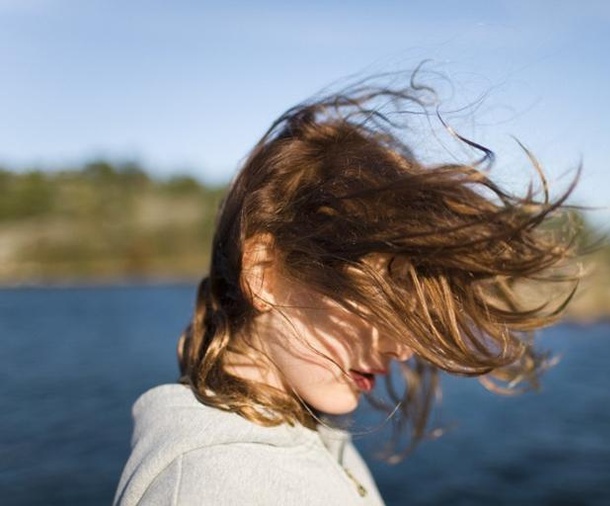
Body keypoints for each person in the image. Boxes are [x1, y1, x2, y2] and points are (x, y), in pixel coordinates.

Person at [113, 73, 581, 505]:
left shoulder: (296, 430)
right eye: (381, 299)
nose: (403, 346)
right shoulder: (223, 484)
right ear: (265, 273)